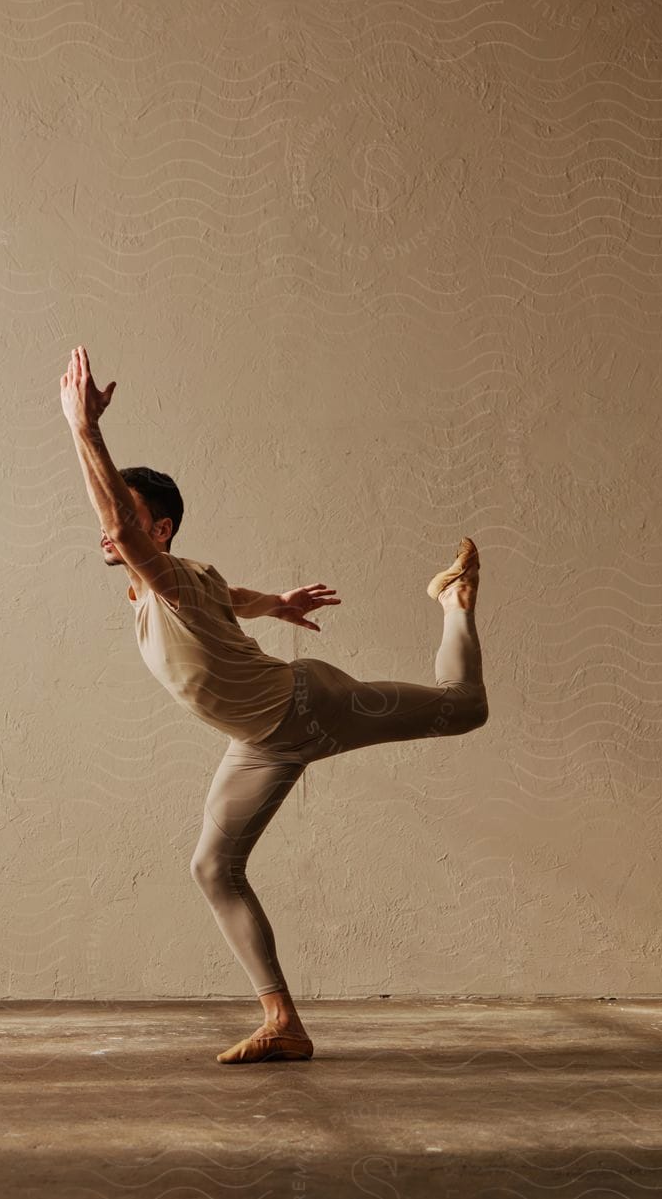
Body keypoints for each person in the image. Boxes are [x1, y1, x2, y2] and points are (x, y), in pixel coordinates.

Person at [58, 344, 487, 1063]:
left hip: (308, 708)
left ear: (157, 530)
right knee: (211, 867)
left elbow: (135, 538)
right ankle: (283, 1020)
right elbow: (229, 597)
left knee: (466, 705)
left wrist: (83, 429)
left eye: (126, 520)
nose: (110, 530)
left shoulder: (161, 573)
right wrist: (276, 603)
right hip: (261, 739)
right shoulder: (176, 579)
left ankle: (452, 601)